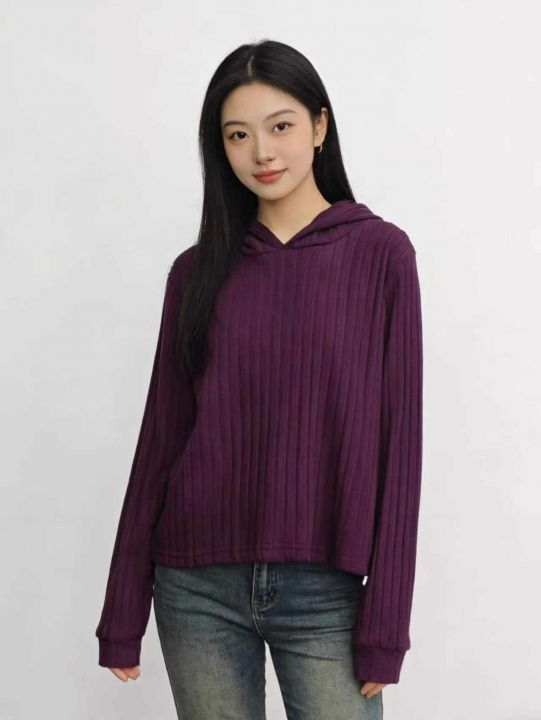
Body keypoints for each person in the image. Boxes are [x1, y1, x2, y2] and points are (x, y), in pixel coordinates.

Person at [95, 39, 423, 719]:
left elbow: (401, 445)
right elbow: (161, 439)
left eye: (280, 126)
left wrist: (385, 628)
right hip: (195, 587)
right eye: (238, 135)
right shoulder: (196, 272)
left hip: (326, 592)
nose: (262, 153)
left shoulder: (380, 255)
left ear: (320, 127)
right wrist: (123, 608)